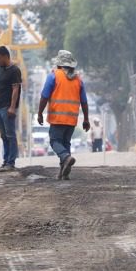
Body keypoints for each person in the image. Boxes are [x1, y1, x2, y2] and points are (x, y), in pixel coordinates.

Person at [37, 49, 90, 180]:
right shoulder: (78, 80)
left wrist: (39, 113)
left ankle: (66, 158)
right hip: (71, 119)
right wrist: (86, 120)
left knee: (55, 141)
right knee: (66, 143)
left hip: (57, 118)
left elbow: (44, 97)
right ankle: (63, 172)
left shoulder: (54, 76)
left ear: (59, 64)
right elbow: (84, 101)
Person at [0, 45, 22, 170]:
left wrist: (12, 107)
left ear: (5, 56)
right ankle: (5, 161)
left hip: (8, 108)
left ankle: (11, 162)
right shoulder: (0, 71)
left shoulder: (14, 71)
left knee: (10, 135)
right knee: (4, 136)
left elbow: (15, 89)